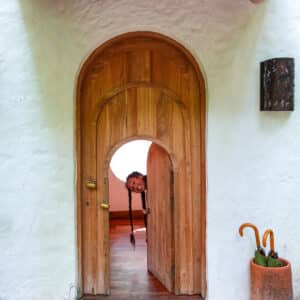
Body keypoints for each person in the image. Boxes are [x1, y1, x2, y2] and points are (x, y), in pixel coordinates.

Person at [125, 171, 147, 246]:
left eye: (134, 183)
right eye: (132, 188)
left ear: (140, 177)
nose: (135, 187)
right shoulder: (147, 193)